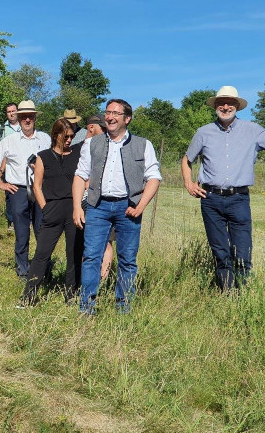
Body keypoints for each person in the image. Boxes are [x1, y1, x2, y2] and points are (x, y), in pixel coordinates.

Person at [73, 99, 161, 314]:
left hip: (128, 208)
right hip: (97, 206)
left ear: (127, 119)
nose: (110, 117)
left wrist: (140, 206)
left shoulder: (143, 144)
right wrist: (77, 206)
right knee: (92, 255)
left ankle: (123, 307)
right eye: (108, 112)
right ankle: (87, 306)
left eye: (116, 113)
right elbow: (80, 175)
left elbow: (154, 177)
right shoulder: (92, 143)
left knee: (128, 259)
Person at [181, 86, 265, 291]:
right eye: (221, 103)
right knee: (220, 249)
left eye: (229, 103)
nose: (225, 107)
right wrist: (189, 183)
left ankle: (243, 292)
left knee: (242, 250)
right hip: (210, 199)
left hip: (239, 199)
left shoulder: (254, 131)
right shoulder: (203, 132)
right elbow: (186, 159)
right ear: (215, 106)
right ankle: (227, 293)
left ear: (237, 106)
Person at [18, 118, 83, 306]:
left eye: (72, 136)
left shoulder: (78, 155)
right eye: (66, 136)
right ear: (56, 135)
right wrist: (45, 208)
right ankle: (28, 296)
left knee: (74, 253)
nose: (69, 140)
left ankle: (71, 294)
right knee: (41, 254)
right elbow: (37, 186)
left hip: (74, 208)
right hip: (52, 209)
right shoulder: (43, 156)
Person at [0, 100, 51, 279]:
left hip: (41, 190)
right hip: (18, 191)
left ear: (35, 117)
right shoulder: (9, 141)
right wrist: (0, 183)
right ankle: (23, 270)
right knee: (21, 233)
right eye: (24, 116)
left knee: (42, 231)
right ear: (19, 118)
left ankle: (43, 268)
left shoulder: (45, 139)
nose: (27, 120)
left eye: (30, 116)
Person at [81, 114, 115, 280]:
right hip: (105, 198)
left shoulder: (87, 145)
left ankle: (93, 279)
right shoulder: (112, 143)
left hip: (92, 198)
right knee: (106, 242)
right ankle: (101, 278)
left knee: (93, 242)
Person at [0, 102, 20, 231]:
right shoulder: (1, 129)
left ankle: (28, 219)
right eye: (9, 112)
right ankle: (12, 221)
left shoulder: (24, 126)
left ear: (17, 112)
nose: (11, 114)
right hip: (8, 166)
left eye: (13, 111)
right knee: (10, 193)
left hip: (24, 166)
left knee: (28, 192)